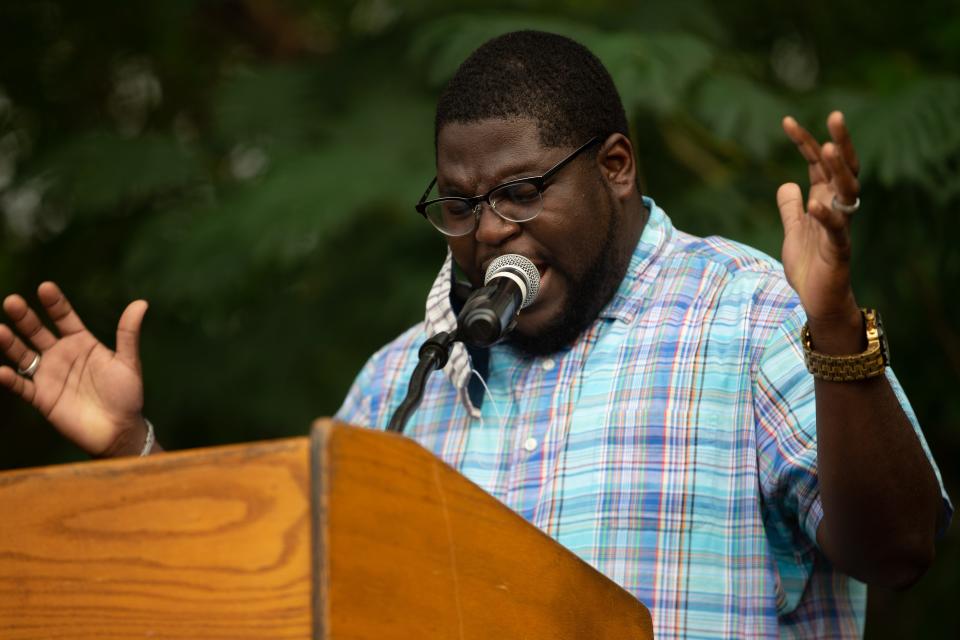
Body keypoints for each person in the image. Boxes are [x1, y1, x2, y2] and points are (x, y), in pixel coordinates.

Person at [0, 30, 951, 638]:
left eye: (520, 193)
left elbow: (901, 548)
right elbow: (283, 600)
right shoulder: (394, 384)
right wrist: (137, 456)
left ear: (614, 166)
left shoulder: (747, 312)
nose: (489, 229)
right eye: (458, 204)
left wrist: (832, 325)